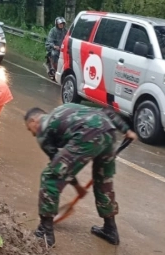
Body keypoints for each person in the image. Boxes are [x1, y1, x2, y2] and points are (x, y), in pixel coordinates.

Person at [23, 103, 137, 247]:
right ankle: (110, 229)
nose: (32, 133)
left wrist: (77, 188)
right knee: (103, 181)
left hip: (87, 134)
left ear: (34, 121)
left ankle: (45, 232)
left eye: (29, 129)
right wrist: (126, 129)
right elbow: (106, 111)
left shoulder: (43, 128)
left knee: (49, 177)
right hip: (108, 132)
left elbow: (59, 167)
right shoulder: (66, 108)